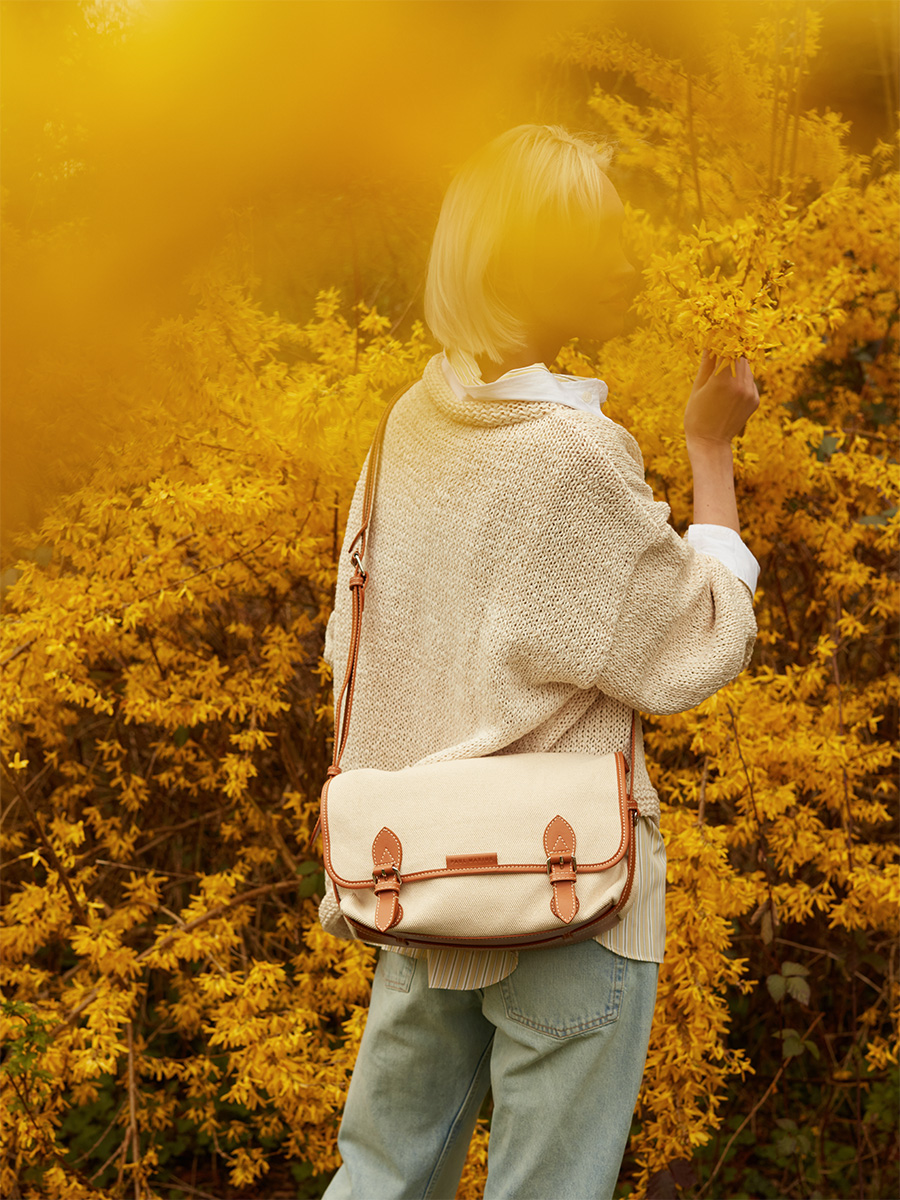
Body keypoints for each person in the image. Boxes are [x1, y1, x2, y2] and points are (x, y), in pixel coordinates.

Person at [317, 124, 760, 1200]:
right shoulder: (568, 452)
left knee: (380, 1176)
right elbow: (698, 641)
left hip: (419, 877)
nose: (628, 260)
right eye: (598, 240)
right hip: (571, 889)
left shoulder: (405, 432)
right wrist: (711, 450)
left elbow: (352, 650)